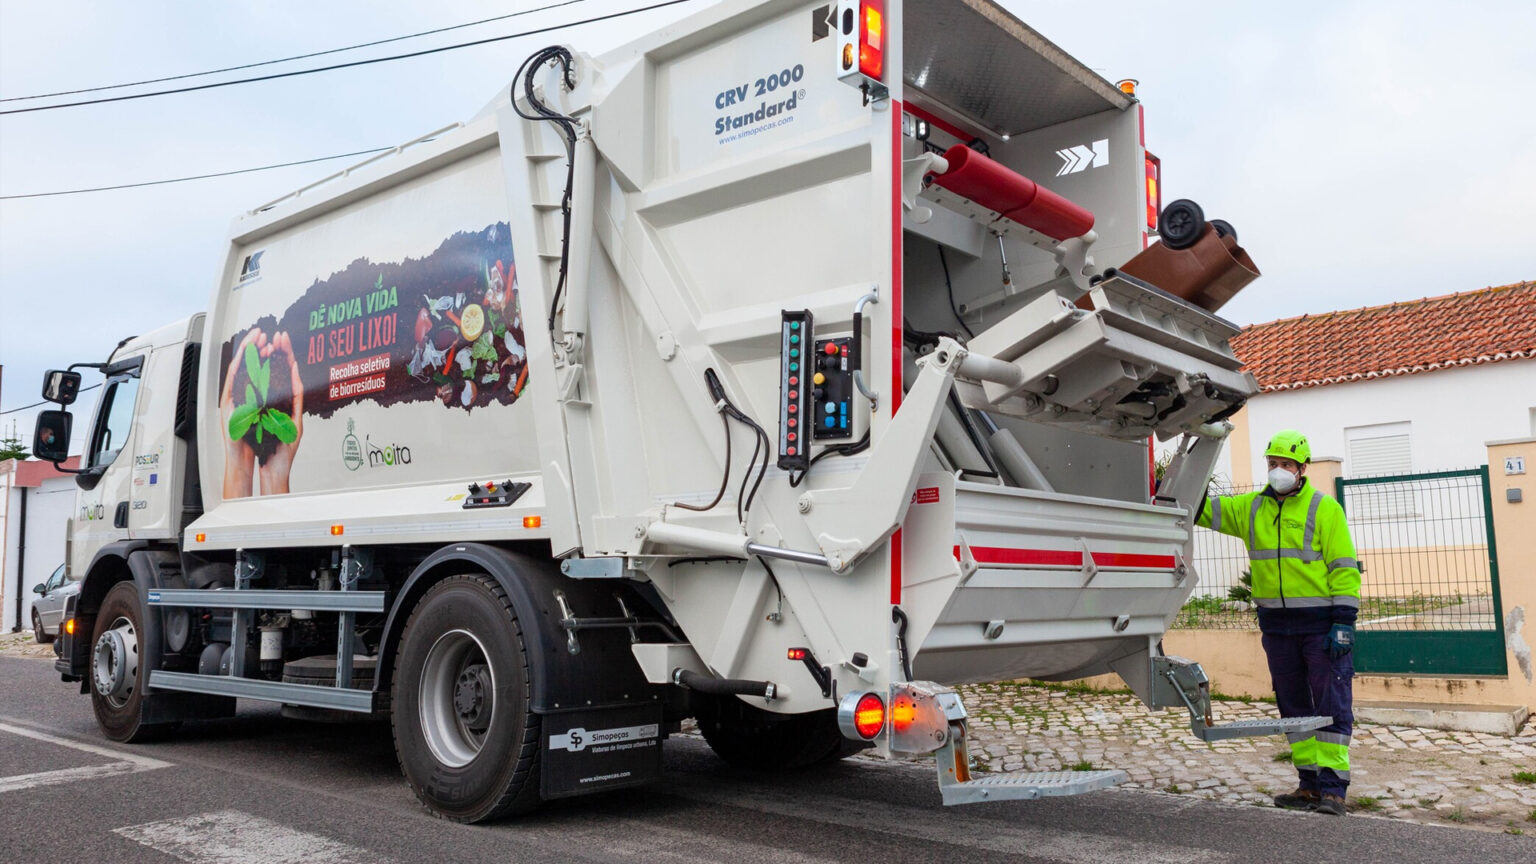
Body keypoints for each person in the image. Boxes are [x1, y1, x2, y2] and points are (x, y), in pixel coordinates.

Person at [1197, 430, 1361, 816]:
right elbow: (1202, 509)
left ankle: (1334, 789)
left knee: (1331, 703)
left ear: (1302, 468)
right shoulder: (1251, 508)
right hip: (1277, 628)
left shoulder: (1325, 509)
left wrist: (1343, 621)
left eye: (1286, 464)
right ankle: (1308, 785)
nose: (1278, 471)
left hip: (1322, 627)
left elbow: (1344, 568)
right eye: (1272, 464)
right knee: (1294, 707)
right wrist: (1173, 480)